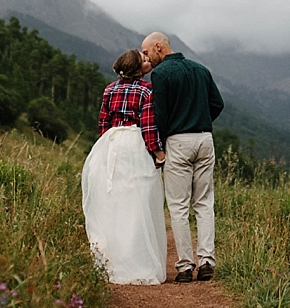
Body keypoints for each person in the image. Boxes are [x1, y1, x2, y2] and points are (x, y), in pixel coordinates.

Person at [141, 31, 224, 283]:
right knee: (204, 203)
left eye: (146, 52)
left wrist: (162, 142)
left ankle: (185, 267)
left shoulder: (161, 74)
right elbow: (217, 104)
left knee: (178, 206)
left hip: (177, 140)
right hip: (205, 139)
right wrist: (200, 119)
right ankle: (207, 261)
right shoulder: (201, 69)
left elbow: (161, 113)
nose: (146, 58)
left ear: (158, 47)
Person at [81, 49, 168, 284]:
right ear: (138, 69)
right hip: (134, 144)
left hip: (111, 144)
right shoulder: (146, 91)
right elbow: (149, 127)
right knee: (137, 201)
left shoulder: (109, 89)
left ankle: (113, 260)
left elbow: (103, 122)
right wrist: (159, 154)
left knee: (114, 201)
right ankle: (138, 261)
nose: (148, 60)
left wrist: (106, 146)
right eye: (144, 59)